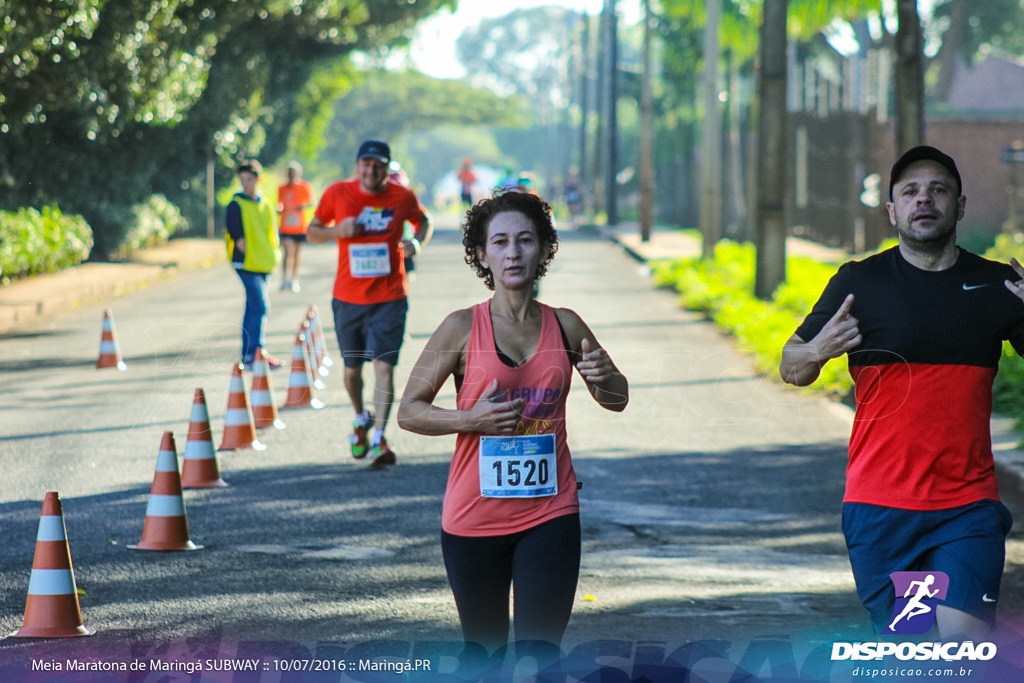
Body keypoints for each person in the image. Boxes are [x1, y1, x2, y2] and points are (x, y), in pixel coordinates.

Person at [779, 145, 1024, 641]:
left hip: (967, 505)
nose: (924, 200)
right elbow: (792, 367)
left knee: (963, 647)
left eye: (938, 190)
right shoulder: (859, 282)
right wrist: (819, 349)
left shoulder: (997, 283)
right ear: (892, 210)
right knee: (910, 652)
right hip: (881, 507)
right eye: (910, 192)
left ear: (959, 204)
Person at [397, 190, 628, 656]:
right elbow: (409, 410)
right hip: (472, 516)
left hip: (551, 511)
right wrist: (471, 418)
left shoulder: (566, 326)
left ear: (543, 249)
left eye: (525, 240)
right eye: (499, 242)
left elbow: (616, 399)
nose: (513, 252)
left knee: (540, 652)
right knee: (484, 652)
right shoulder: (460, 327)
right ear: (482, 255)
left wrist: (607, 380)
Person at [307, 140, 432, 469]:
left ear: (386, 167)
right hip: (348, 299)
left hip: (390, 297)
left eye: (378, 164)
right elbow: (312, 231)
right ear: (357, 165)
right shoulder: (338, 193)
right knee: (351, 372)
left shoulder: (402, 197)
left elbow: (424, 221)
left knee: (384, 367)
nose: (371, 170)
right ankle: (361, 416)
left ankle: (378, 438)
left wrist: (416, 243)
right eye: (366, 163)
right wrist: (339, 231)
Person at [225, 160, 281, 371]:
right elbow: (238, 237)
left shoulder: (266, 204)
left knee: (254, 307)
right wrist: (253, 253)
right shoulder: (235, 205)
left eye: (250, 179)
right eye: (243, 180)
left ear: (258, 179)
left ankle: (253, 353)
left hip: (264, 263)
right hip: (246, 263)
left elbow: (272, 233)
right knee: (260, 305)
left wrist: (274, 255)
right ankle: (253, 354)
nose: (246, 183)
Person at [276, 161, 314, 293]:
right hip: (286, 226)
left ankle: (294, 279)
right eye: (289, 174)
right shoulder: (282, 188)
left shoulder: (304, 186)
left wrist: (302, 206)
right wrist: (279, 209)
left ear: (298, 174)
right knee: (287, 251)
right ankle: (284, 279)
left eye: (294, 174)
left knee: (297, 254)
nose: (291, 176)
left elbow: (311, 202)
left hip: (299, 226)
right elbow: (279, 203)